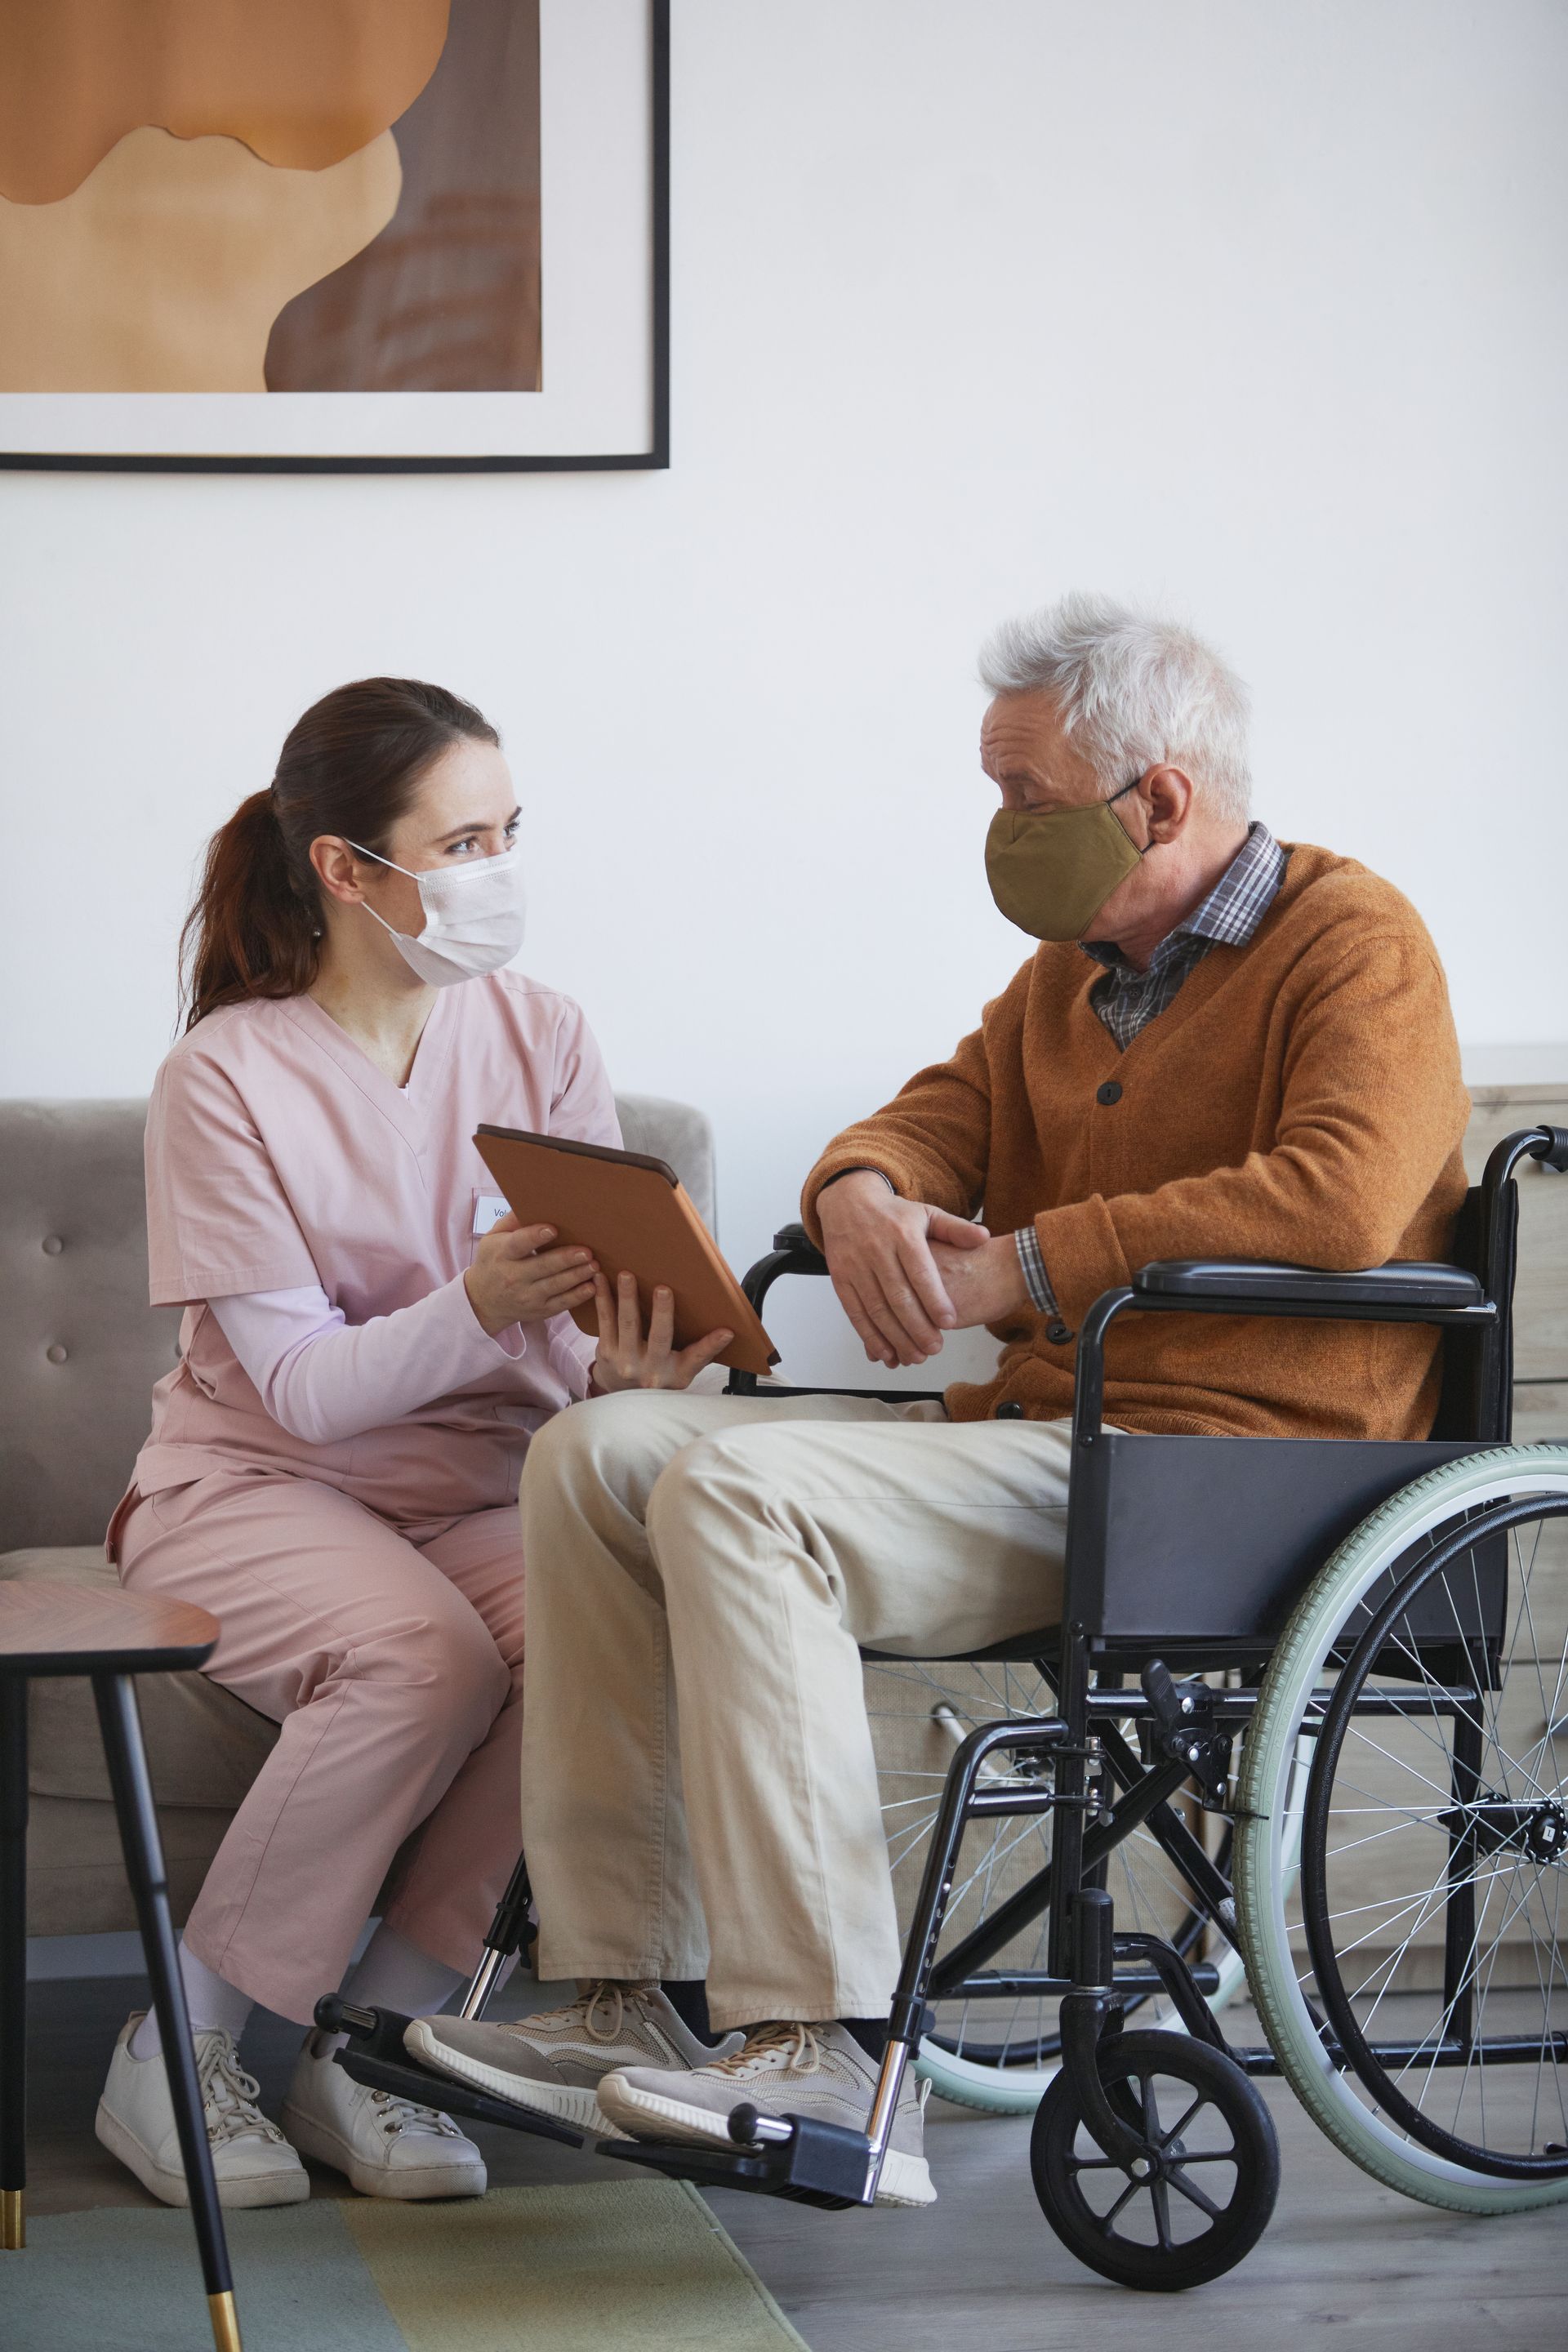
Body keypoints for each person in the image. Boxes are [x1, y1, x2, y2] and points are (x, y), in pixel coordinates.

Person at [409, 595, 1471, 2210]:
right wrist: (857, 1200)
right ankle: (623, 1985)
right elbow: (916, 1127)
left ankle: (817, 2046)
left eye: (1023, 798)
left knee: (738, 1490)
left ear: (1160, 800)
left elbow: (1332, 1205)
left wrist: (1023, 1269)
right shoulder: (1066, 974)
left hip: (1231, 1473)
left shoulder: (1355, 943)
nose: (1001, 832)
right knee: (599, 1450)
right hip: (1047, 1447)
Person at [97, 677, 730, 2210]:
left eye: (511, 831)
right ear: (344, 868)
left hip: (478, 1491)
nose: (497, 869)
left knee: (611, 1626)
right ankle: (176, 2052)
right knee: (423, 1657)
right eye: (462, 841)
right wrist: (476, 1303)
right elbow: (304, 1388)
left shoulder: (542, 1033)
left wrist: (620, 1376)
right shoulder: (225, 1078)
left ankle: (368, 2045)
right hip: (254, 1487)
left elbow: (572, 1331)